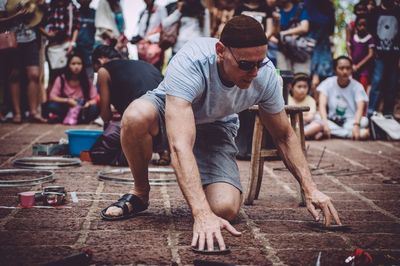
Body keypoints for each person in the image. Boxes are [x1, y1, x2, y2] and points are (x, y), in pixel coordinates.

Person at [100, 15, 342, 252]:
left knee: (225, 208)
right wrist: (201, 213)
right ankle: (140, 193)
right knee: (134, 117)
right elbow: (180, 145)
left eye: (260, 62)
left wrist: (311, 189)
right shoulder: (191, 60)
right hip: (170, 113)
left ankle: (205, 194)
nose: (254, 72)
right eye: (246, 64)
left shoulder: (265, 74)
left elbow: (284, 135)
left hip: (216, 126)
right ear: (220, 51)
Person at [317, 56, 369, 140]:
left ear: (351, 69)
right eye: (341, 68)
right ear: (335, 70)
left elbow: (360, 108)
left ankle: (333, 133)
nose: (345, 71)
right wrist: (325, 123)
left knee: (364, 121)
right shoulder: (327, 83)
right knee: (317, 118)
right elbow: (322, 105)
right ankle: (349, 134)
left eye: (348, 68)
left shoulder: (357, 86)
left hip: (350, 122)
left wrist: (356, 125)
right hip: (332, 121)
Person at [44, 51, 99, 125]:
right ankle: (70, 117)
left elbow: (95, 98)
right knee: (52, 106)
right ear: (68, 65)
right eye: (73, 64)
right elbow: (52, 96)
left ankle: (75, 118)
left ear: (83, 66)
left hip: (82, 108)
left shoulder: (87, 81)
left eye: (79, 64)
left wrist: (88, 103)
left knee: (94, 108)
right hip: (65, 106)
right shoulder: (61, 79)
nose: (76, 67)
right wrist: (67, 100)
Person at [367, 0, 400, 117]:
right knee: (377, 81)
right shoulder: (375, 12)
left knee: (392, 84)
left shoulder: (398, 11)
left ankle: (388, 113)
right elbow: (369, 32)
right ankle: (371, 112)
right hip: (378, 55)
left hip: (395, 55)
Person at [304, 0, 335, 96]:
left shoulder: (328, 6)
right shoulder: (307, 4)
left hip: (321, 45)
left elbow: (330, 29)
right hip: (305, 45)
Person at [276, 0, 311, 74]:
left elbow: (304, 28)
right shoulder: (277, 11)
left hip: (299, 50)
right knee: (282, 76)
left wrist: (284, 33)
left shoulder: (300, 8)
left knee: (301, 77)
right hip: (282, 50)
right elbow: (275, 33)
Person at [288, 73, 323, 140]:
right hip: (290, 126)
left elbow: (310, 117)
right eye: (299, 87)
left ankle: (297, 136)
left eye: (305, 87)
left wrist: (296, 117)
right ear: (291, 87)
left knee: (319, 123)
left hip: (305, 125)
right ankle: (308, 135)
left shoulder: (311, 100)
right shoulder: (287, 98)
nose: (302, 90)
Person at [346, 15, 375, 92]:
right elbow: (349, 49)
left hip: (364, 69)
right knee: (352, 88)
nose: (362, 27)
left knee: (362, 89)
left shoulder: (369, 38)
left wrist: (358, 66)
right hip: (353, 68)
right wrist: (351, 62)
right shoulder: (354, 37)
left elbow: (370, 54)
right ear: (356, 26)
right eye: (360, 25)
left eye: (364, 25)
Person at [76, 0, 96, 79]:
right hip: (76, 49)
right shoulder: (75, 12)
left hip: (90, 50)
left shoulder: (95, 13)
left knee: (89, 77)